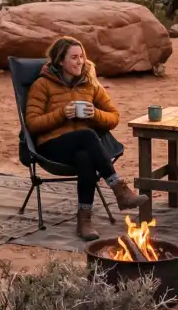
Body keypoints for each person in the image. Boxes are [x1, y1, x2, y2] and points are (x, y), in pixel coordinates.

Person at [24, 35, 149, 241]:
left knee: (85, 156)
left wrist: (95, 115)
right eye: (73, 57)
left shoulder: (90, 84)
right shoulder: (42, 85)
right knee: (87, 136)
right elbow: (33, 123)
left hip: (83, 146)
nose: (80, 61)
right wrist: (62, 113)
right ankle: (119, 190)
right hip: (52, 147)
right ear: (60, 61)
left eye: (81, 57)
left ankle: (84, 220)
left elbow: (114, 117)